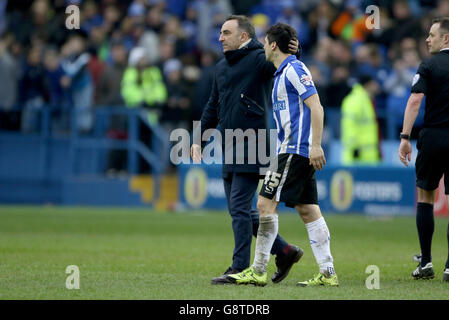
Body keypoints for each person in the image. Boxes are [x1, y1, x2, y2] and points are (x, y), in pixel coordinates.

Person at [190, 15, 303, 285]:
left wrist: (295, 49)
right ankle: (285, 251)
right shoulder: (221, 68)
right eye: (220, 32)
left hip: (254, 143)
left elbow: (288, 66)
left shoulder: (259, 59)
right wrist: (199, 139)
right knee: (241, 209)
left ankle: (239, 267)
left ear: (244, 36)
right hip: (230, 144)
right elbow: (212, 107)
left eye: (226, 32)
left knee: (239, 207)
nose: (220, 37)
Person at [227, 22, 338, 287]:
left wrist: (316, 145)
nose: (263, 46)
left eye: (266, 42)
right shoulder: (282, 72)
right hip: (293, 149)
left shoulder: (293, 69)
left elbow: (316, 106)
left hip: (294, 150)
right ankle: (328, 273)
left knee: (265, 204)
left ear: (273, 45)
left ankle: (258, 269)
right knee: (308, 210)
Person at [398, 17, 449, 282]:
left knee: (425, 196)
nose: (428, 39)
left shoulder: (429, 65)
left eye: (432, 35)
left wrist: (405, 136)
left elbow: (415, 99)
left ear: (446, 39)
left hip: (433, 137)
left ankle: (427, 262)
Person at [340, 74, 381, 164]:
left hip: (368, 156)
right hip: (357, 156)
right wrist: (354, 149)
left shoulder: (365, 100)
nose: (377, 86)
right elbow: (349, 126)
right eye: (374, 83)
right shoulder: (355, 101)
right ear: (368, 84)